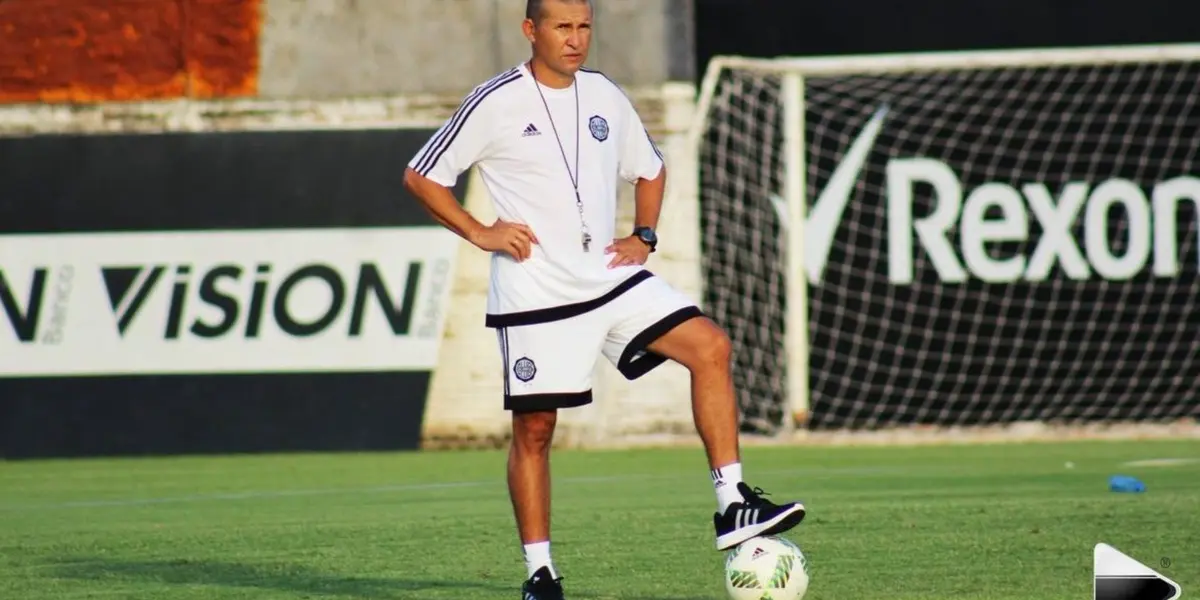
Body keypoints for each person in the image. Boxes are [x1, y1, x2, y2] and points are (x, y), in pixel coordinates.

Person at [402, 0, 806, 597]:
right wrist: (480, 231)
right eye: (562, 26)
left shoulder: (604, 95)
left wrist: (644, 235)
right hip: (536, 291)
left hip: (609, 276)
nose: (575, 39)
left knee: (710, 346)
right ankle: (540, 573)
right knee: (536, 430)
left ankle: (733, 502)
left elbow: (651, 168)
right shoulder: (495, 100)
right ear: (530, 30)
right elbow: (421, 175)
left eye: (584, 26)